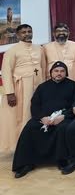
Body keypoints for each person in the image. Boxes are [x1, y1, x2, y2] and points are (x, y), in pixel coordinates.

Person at [12, 61, 75, 178]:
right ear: (51, 72)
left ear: (66, 73)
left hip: (63, 118)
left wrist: (64, 116)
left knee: (63, 128)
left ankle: (62, 160)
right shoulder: (42, 87)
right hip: (44, 118)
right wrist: (42, 117)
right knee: (30, 127)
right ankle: (26, 163)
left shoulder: (74, 86)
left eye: (62, 71)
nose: (59, 73)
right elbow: (35, 105)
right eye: (56, 71)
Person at [0, 24, 46, 153]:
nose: (27, 34)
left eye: (29, 31)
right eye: (24, 32)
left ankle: (37, 143)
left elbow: (43, 67)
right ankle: (20, 146)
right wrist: (10, 93)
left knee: (37, 113)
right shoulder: (11, 51)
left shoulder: (39, 49)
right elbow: (6, 72)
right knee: (22, 116)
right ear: (18, 35)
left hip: (38, 85)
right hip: (21, 88)